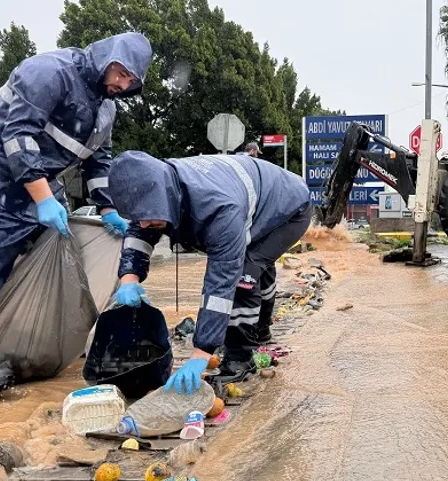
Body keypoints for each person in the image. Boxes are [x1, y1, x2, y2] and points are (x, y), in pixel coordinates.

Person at [0, 32, 153, 398]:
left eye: (130, 82)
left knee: (62, 257)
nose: (121, 84)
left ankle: (25, 348)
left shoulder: (106, 109)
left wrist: (108, 208)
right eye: (120, 73)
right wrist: (43, 199)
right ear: (106, 58)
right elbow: (18, 135)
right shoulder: (49, 71)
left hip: (35, 179)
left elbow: (98, 160)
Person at [107, 150, 311, 395]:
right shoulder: (159, 187)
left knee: (243, 277)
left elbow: (221, 282)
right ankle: (261, 330)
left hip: (289, 210)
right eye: (137, 218)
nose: (143, 225)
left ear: (165, 198)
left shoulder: (219, 210)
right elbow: (139, 234)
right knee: (256, 263)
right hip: (255, 200)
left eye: (148, 218)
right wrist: (129, 278)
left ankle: (240, 356)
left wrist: (200, 354)